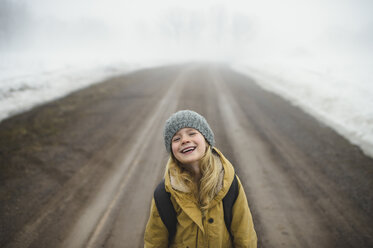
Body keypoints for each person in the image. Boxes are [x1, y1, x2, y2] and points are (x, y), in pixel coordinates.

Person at [144, 110, 257, 248]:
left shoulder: (228, 182)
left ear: (206, 139)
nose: (185, 140)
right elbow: (154, 241)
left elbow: (245, 235)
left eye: (192, 133)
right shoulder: (165, 193)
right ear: (172, 150)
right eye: (176, 139)